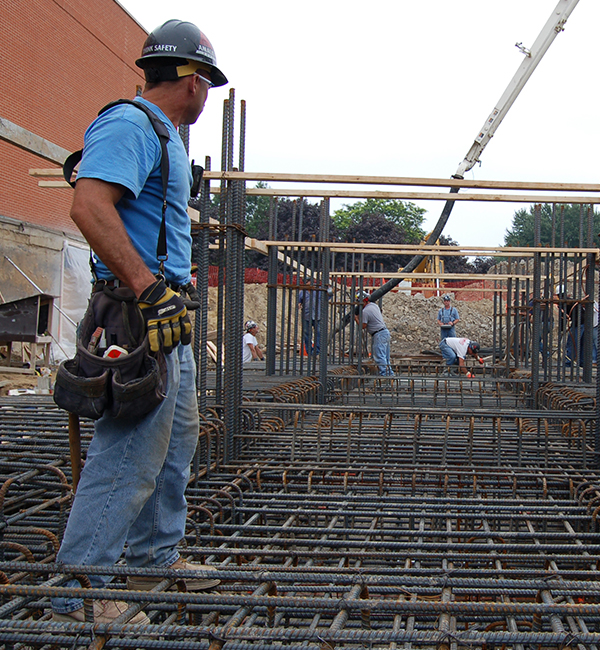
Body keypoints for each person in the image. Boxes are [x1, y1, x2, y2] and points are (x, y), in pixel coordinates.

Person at [52, 20, 227, 624]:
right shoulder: (130, 124)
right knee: (130, 452)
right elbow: (89, 205)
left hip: (165, 314)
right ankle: (82, 591)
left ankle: (155, 559)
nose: (207, 94)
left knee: (175, 444)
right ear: (192, 80)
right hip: (140, 311)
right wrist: (149, 288)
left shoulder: (165, 137)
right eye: (206, 81)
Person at [355, 291, 394, 376]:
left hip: (379, 334)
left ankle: (385, 376)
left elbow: (363, 326)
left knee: (380, 357)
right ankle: (390, 374)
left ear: (363, 301)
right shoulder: (374, 305)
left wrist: (356, 319)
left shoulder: (365, 311)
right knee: (385, 357)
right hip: (384, 332)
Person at [298, 284, 323, 356]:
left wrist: (331, 290)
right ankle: (310, 352)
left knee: (318, 334)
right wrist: (299, 304)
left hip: (317, 316)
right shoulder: (303, 292)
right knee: (307, 334)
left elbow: (329, 294)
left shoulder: (319, 291)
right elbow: (299, 301)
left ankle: (317, 351)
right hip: (306, 316)